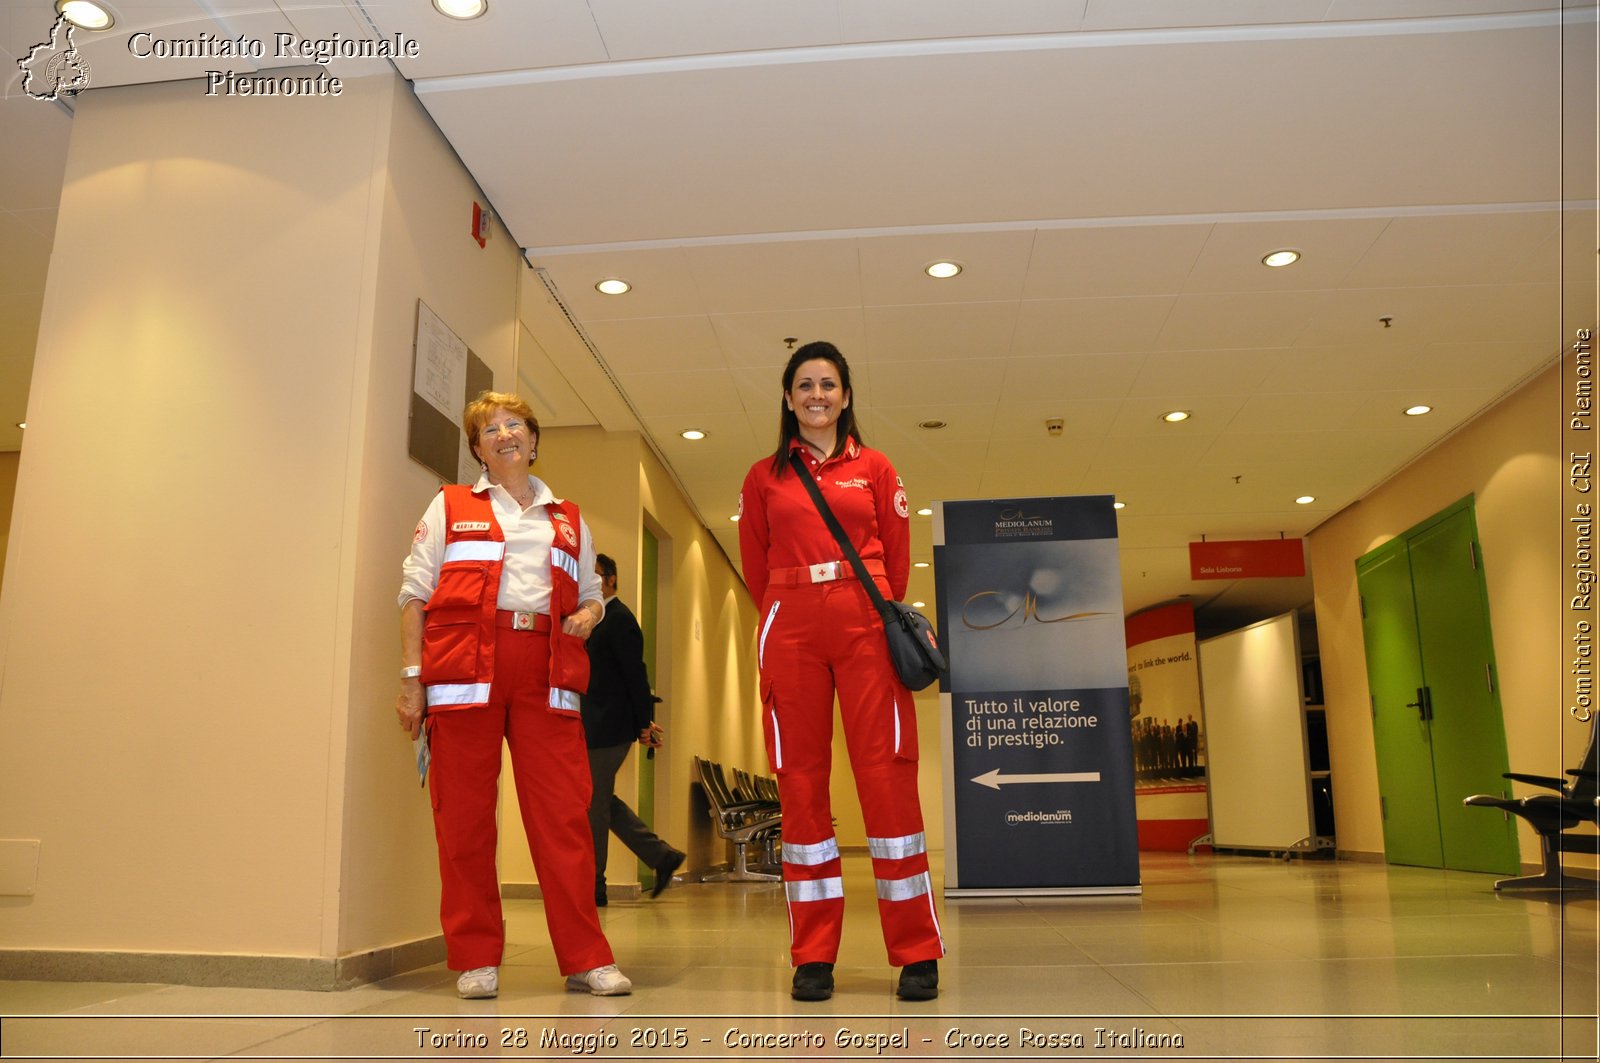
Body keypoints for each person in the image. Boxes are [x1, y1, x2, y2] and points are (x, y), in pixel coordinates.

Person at [396, 390, 631, 1000]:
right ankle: (476, 957)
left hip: (546, 672)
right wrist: (410, 680)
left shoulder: (568, 517)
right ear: (477, 447)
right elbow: (415, 595)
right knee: (465, 821)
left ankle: (586, 957)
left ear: (533, 438)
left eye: (515, 425)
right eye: (490, 429)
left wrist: (588, 613)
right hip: (462, 673)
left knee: (563, 819)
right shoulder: (449, 506)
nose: (504, 435)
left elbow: (590, 594)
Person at [736, 340, 946, 1003]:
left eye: (828, 384)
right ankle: (813, 955)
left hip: (865, 618)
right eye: (804, 384)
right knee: (800, 783)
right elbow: (755, 562)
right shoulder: (762, 476)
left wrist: (868, 601)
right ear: (788, 397)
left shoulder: (877, 467)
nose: (816, 394)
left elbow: (898, 549)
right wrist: (787, 608)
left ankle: (915, 950)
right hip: (790, 622)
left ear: (846, 395)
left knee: (887, 776)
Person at [582, 552, 686, 906]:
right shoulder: (591, 620)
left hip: (609, 727)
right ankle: (661, 856)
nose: (589, 581)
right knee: (599, 799)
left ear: (610, 579)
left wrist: (644, 724)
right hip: (593, 726)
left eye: (594, 575)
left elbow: (635, 675)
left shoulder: (619, 619)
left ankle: (594, 887)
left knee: (593, 804)